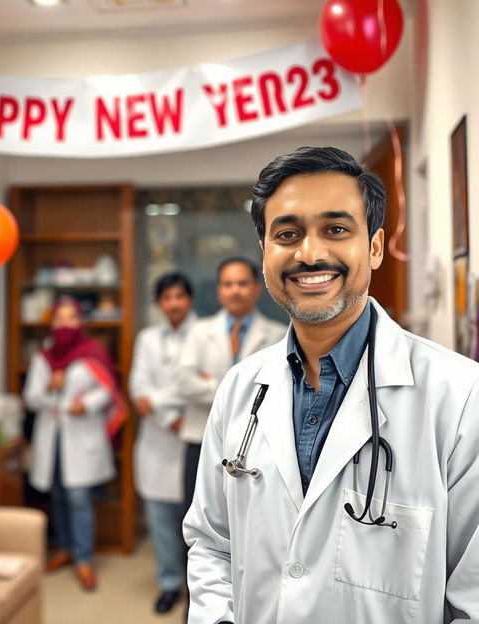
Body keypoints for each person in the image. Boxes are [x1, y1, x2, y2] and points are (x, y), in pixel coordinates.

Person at [183, 146, 479, 623]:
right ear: (265, 253)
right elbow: (211, 542)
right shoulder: (240, 389)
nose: (310, 253)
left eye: (336, 230)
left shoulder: (461, 398)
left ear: (375, 247)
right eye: (287, 233)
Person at [176, 257, 287, 620]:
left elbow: (276, 391)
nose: (235, 290)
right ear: (219, 290)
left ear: (256, 288)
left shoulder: (278, 333)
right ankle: (196, 601)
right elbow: (185, 382)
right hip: (199, 438)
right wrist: (235, 388)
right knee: (200, 525)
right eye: (227, 284)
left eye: (242, 283)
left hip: (254, 445)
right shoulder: (198, 331)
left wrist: (215, 382)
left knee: (250, 523)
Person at [23, 296, 126, 591]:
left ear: (80, 322)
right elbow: (31, 398)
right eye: (59, 318)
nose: (65, 324)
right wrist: (48, 387)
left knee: (79, 498)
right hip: (51, 439)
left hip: (82, 436)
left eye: (71, 317)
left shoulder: (92, 352)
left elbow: (108, 391)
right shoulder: (42, 357)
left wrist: (88, 405)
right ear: (51, 322)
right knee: (57, 496)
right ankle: (65, 549)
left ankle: (83, 559)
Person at [129, 272, 197, 614]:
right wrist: (170, 416)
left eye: (179, 296)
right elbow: (137, 391)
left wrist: (158, 399)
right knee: (160, 524)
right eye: (167, 297)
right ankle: (169, 584)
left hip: (194, 442)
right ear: (159, 303)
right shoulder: (147, 339)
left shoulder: (205, 335)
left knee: (195, 526)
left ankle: (195, 590)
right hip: (157, 444)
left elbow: (198, 386)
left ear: (190, 300)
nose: (173, 303)